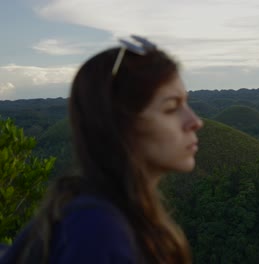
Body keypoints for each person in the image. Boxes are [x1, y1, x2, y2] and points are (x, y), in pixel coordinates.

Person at [1, 35, 203, 263]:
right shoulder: (97, 230)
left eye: (186, 103)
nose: (195, 121)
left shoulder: (105, 214)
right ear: (118, 124)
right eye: (170, 108)